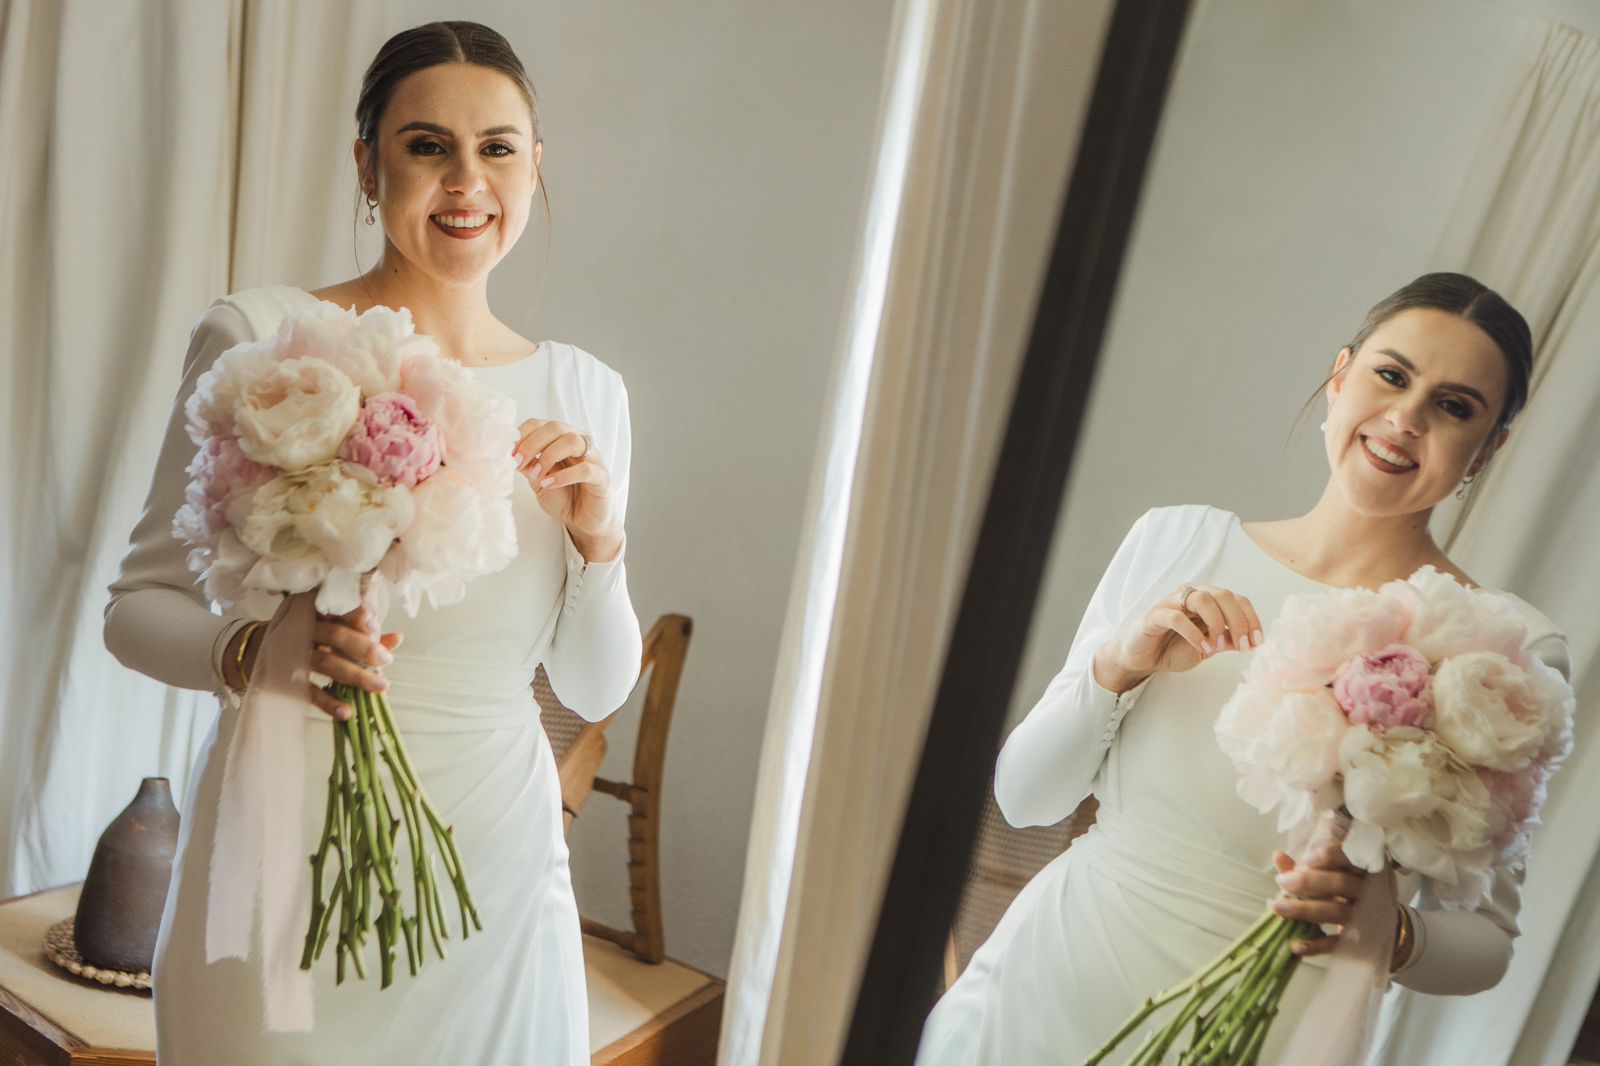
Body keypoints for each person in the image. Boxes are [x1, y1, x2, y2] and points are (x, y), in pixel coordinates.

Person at [103, 21, 642, 1065]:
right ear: (367, 161)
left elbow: (592, 685)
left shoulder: (588, 395)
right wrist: (254, 654)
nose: (464, 181)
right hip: (282, 851)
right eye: (426, 144)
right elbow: (135, 609)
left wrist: (600, 542)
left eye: (496, 147)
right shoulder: (263, 339)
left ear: (535, 166)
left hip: (491, 871)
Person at [915, 273, 1571, 1064]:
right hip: (1044, 985)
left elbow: (1488, 945)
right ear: (1339, 377)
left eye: (1454, 406)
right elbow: (1025, 798)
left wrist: (1385, 929)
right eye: (1391, 376)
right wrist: (1119, 665)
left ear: (1488, 448)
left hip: (1271, 1030)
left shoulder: (1504, 649)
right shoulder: (1176, 542)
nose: (1405, 419)